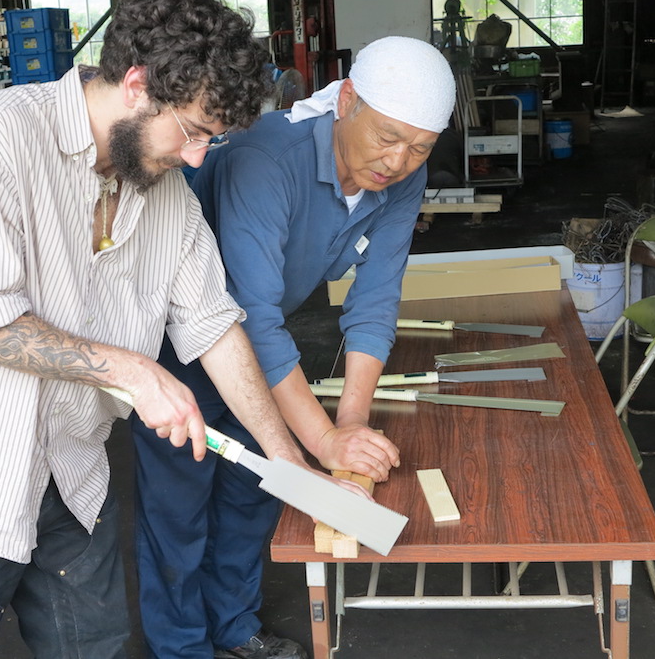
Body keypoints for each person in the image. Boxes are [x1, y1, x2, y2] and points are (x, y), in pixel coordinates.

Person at [0, 0, 315, 658]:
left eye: (211, 142)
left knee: (97, 648)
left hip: (72, 478)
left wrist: (284, 458)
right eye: (193, 132)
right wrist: (133, 370)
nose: (197, 157)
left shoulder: (165, 194)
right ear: (136, 82)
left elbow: (214, 325)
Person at [133, 36, 457, 659]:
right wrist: (319, 442)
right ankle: (181, 649)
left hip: (266, 352)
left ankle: (232, 627)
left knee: (252, 495)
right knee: (179, 510)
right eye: (387, 137)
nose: (398, 160)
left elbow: (374, 299)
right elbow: (249, 316)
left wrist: (350, 429)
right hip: (185, 347)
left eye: (419, 148)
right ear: (348, 102)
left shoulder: (399, 178)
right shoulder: (266, 155)